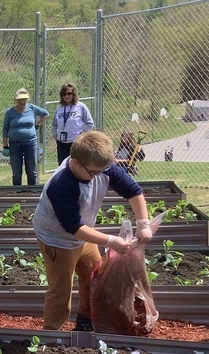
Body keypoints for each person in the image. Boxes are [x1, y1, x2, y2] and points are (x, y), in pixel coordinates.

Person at [32, 131, 152, 332]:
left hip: (83, 232)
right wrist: (112, 241)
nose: (99, 175)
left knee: (94, 277)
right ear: (76, 163)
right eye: (94, 172)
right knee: (61, 289)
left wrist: (143, 224)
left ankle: (86, 320)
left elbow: (133, 191)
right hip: (57, 239)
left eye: (103, 170)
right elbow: (73, 227)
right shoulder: (61, 184)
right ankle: (51, 334)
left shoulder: (101, 167)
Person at [2, 88, 49, 185]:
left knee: (32, 171)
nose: (22, 102)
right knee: (16, 172)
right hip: (15, 144)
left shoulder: (31, 108)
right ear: (16, 100)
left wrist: (37, 125)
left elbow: (45, 114)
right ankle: (16, 192)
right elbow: (5, 129)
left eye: (24, 99)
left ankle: (32, 191)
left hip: (30, 143)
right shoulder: (10, 112)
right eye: (20, 99)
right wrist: (5, 146)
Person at [50, 84, 94, 165]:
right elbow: (54, 125)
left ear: (74, 94)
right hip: (62, 143)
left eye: (69, 93)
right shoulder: (59, 108)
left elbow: (90, 123)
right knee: (63, 166)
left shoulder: (81, 107)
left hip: (76, 143)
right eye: (64, 94)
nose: (66, 96)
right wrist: (56, 136)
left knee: (77, 165)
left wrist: (81, 137)